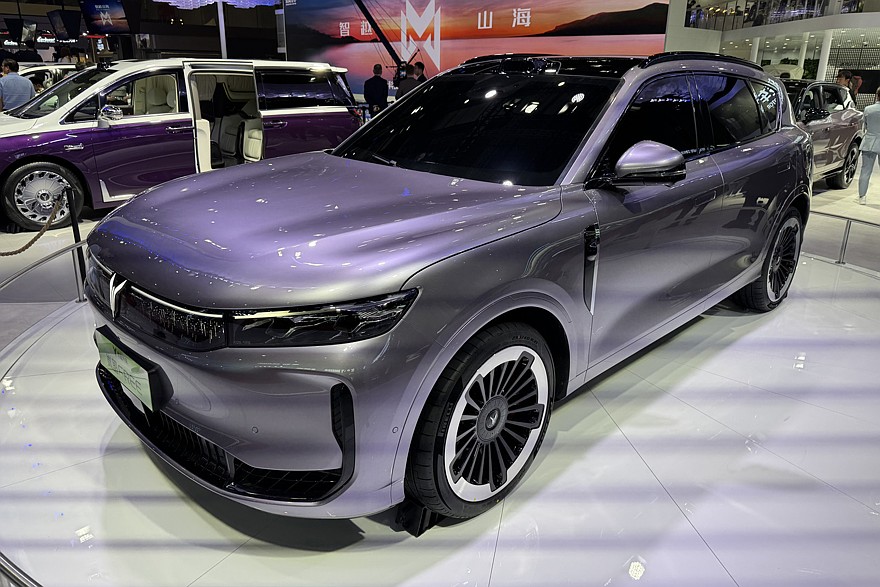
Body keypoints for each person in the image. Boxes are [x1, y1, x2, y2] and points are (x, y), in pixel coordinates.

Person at [857, 88, 880, 205]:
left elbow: (864, 126)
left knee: (865, 170)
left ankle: (862, 197)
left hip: (869, 141)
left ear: (877, 95)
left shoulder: (868, 109)